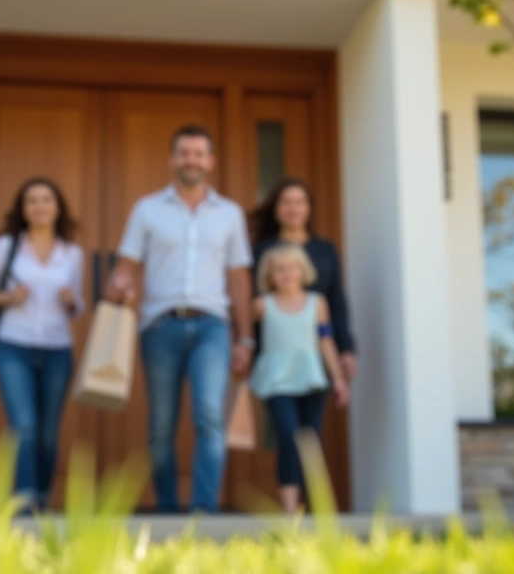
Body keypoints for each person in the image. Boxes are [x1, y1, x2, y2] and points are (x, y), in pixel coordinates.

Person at [106, 124, 254, 514]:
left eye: (199, 153)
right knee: (161, 427)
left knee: (209, 415)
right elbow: (126, 266)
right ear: (172, 160)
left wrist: (246, 339)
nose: (192, 160)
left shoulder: (230, 215)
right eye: (184, 153)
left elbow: (239, 278)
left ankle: (204, 512)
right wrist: (121, 285)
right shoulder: (147, 210)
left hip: (212, 327)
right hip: (160, 327)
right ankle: (169, 511)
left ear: (211, 161)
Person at [0, 177, 85, 511]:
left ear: (57, 207)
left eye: (47, 199)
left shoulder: (72, 253)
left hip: (58, 350)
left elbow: (78, 306)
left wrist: (70, 300)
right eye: (32, 200)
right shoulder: (6, 247)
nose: (40, 206)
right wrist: (8, 297)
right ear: (23, 209)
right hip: (13, 347)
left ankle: (41, 499)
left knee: (48, 435)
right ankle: (24, 504)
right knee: (25, 427)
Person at [250, 244, 350, 514]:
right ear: (269, 276)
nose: (286, 274)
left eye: (292, 268)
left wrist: (338, 380)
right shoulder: (261, 306)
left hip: (311, 379)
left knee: (309, 442)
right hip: (277, 381)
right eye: (279, 269)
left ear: (302, 271)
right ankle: (290, 510)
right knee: (289, 437)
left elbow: (326, 341)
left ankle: (315, 505)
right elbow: (246, 339)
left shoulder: (317, 303)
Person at [251, 177, 357, 382]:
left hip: (319, 350)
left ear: (308, 208)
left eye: (300, 202)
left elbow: (337, 300)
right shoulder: (263, 250)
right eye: (286, 202)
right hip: (276, 352)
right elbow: (256, 300)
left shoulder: (325, 250)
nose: (293, 209)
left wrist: (346, 348)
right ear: (276, 208)